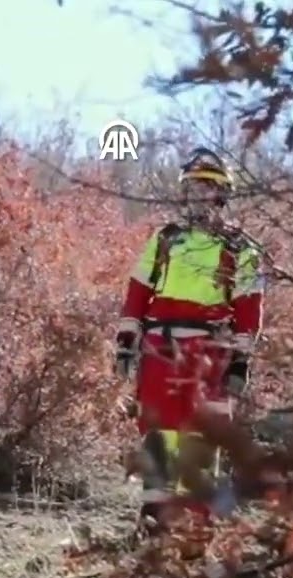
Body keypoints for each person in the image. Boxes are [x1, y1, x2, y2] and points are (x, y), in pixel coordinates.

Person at [114, 148, 263, 530]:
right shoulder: (165, 238)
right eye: (192, 188)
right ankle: (154, 521)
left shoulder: (240, 248)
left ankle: (195, 527)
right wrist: (126, 342)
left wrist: (241, 362)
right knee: (158, 432)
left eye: (206, 187)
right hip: (159, 349)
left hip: (209, 353)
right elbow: (138, 291)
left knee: (201, 436)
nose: (197, 195)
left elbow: (248, 310)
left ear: (222, 194)